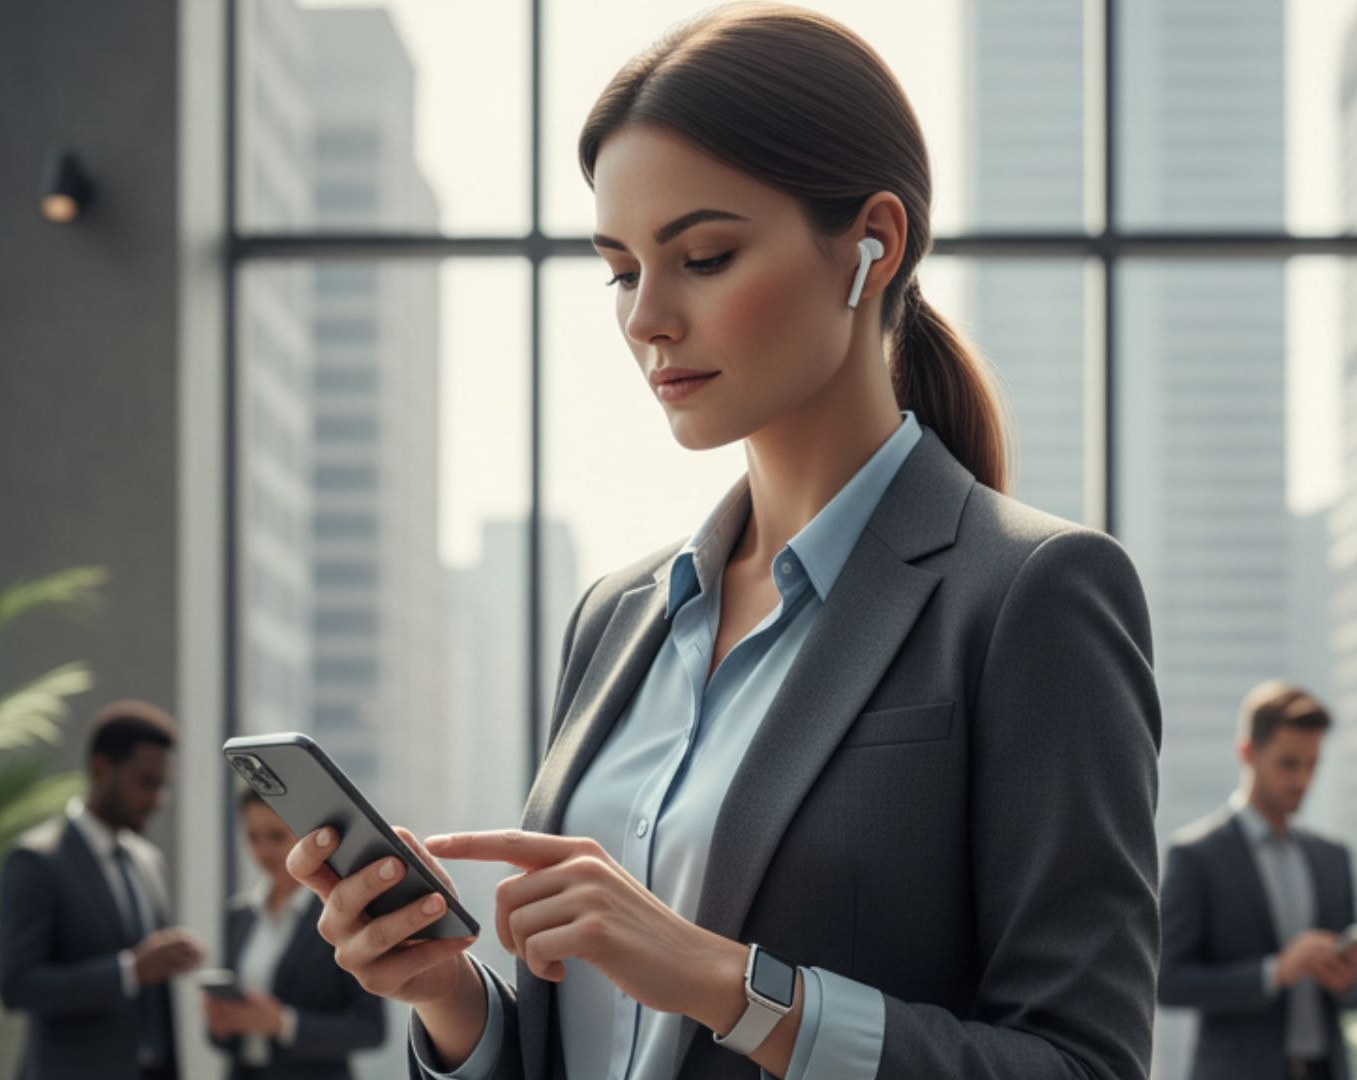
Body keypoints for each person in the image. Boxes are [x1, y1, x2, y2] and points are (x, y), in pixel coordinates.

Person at [286, 5, 1162, 1079]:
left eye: (703, 255)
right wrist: (454, 1001)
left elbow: (1085, 1064)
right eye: (620, 268)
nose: (647, 316)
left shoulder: (1033, 594)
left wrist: (725, 984)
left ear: (872, 245)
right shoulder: (620, 615)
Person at [1159, 682, 1357, 1080]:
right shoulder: (1196, 856)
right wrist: (1274, 972)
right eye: (1289, 764)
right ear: (1247, 753)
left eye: (1312, 765)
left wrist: (1349, 981)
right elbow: (1168, 982)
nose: (1302, 780)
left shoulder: (1332, 858)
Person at [0, 701, 203, 1080]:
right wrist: (129, 970)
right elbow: (16, 985)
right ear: (101, 769)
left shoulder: (148, 861)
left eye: (164, 786)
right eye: (146, 782)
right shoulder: (38, 859)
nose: (157, 799)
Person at [205, 788, 386, 1079]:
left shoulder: (339, 917)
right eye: (253, 837)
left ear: (305, 836)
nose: (263, 851)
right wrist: (221, 1024)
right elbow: (222, 1038)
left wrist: (284, 1024)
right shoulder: (239, 915)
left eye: (276, 836)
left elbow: (371, 1029)